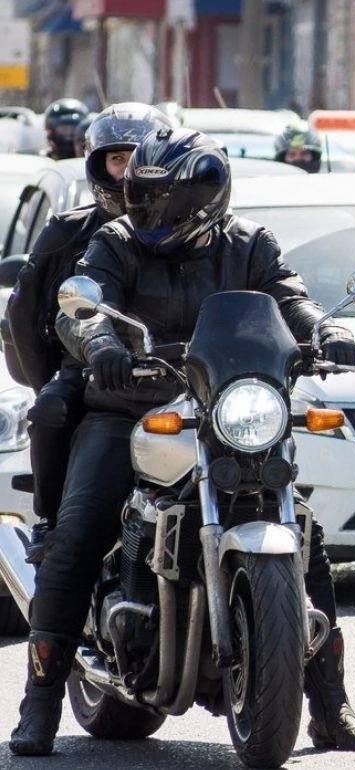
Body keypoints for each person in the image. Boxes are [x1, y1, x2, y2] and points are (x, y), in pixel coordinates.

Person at [9, 127, 355, 756]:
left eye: (160, 199)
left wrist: (327, 331)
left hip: (226, 408)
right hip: (129, 409)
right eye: (141, 195)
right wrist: (101, 345)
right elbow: (84, 310)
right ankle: (40, 701)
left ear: (200, 198)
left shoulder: (250, 243)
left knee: (306, 537)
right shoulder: (115, 241)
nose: (147, 210)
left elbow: (290, 296)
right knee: (77, 535)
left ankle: (329, 703)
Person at [5, 103, 172, 565]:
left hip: (180, 370)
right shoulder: (68, 231)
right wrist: (49, 379)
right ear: (98, 164)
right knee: (49, 411)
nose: (129, 171)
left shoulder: (194, 227)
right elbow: (24, 317)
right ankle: (50, 518)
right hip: (91, 368)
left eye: (139, 158)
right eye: (117, 159)